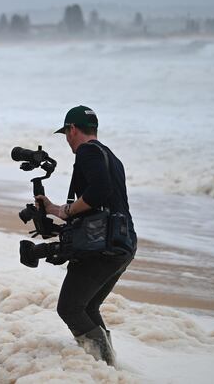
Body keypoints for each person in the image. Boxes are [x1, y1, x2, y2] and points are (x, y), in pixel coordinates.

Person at [35, 105, 137, 366]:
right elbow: (102, 203)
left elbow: (98, 193)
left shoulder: (87, 152)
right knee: (88, 307)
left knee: (69, 308)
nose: (67, 140)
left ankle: (103, 367)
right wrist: (56, 209)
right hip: (122, 244)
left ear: (73, 129)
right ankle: (109, 368)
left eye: (66, 133)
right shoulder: (111, 157)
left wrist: (68, 209)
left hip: (101, 247)